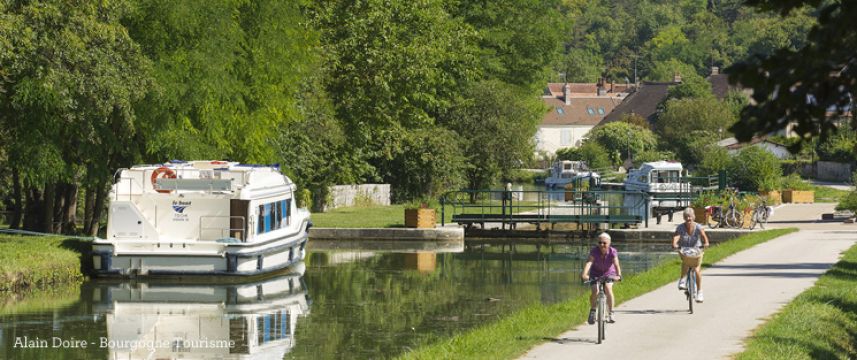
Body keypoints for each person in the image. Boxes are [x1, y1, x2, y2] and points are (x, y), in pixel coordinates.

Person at [581, 232, 622, 324]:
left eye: (604, 243)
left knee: (608, 288)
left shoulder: (613, 251)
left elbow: (616, 264)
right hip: (595, 273)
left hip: (609, 273)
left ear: (609, 243)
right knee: (595, 291)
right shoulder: (594, 251)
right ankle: (592, 311)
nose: (602, 245)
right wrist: (584, 274)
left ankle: (611, 312)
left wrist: (618, 275)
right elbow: (589, 262)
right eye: (599, 242)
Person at [672, 207, 710, 302]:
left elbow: (704, 236)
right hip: (685, 250)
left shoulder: (698, 227)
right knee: (685, 261)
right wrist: (675, 244)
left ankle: (699, 292)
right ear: (684, 218)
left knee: (697, 270)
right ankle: (682, 280)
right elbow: (677, 236)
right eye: (686, 217)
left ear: (693, 217)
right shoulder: (680, 227)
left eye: (690, 216)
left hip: (697, 250)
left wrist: (706, 243)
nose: (688, 219)